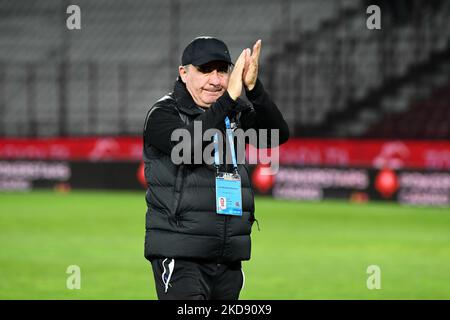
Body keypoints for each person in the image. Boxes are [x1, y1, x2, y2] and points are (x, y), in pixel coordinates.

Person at [143, 36, 289, 300]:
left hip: (227, 255)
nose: (215, 79)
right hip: (180, 254)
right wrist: (230, 99)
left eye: (222, 70)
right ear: (184, 73)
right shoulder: (163, 114)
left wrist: (254, 89)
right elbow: (188, 150)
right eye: (205, 70)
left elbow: (276, 136)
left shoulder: (235, 112)